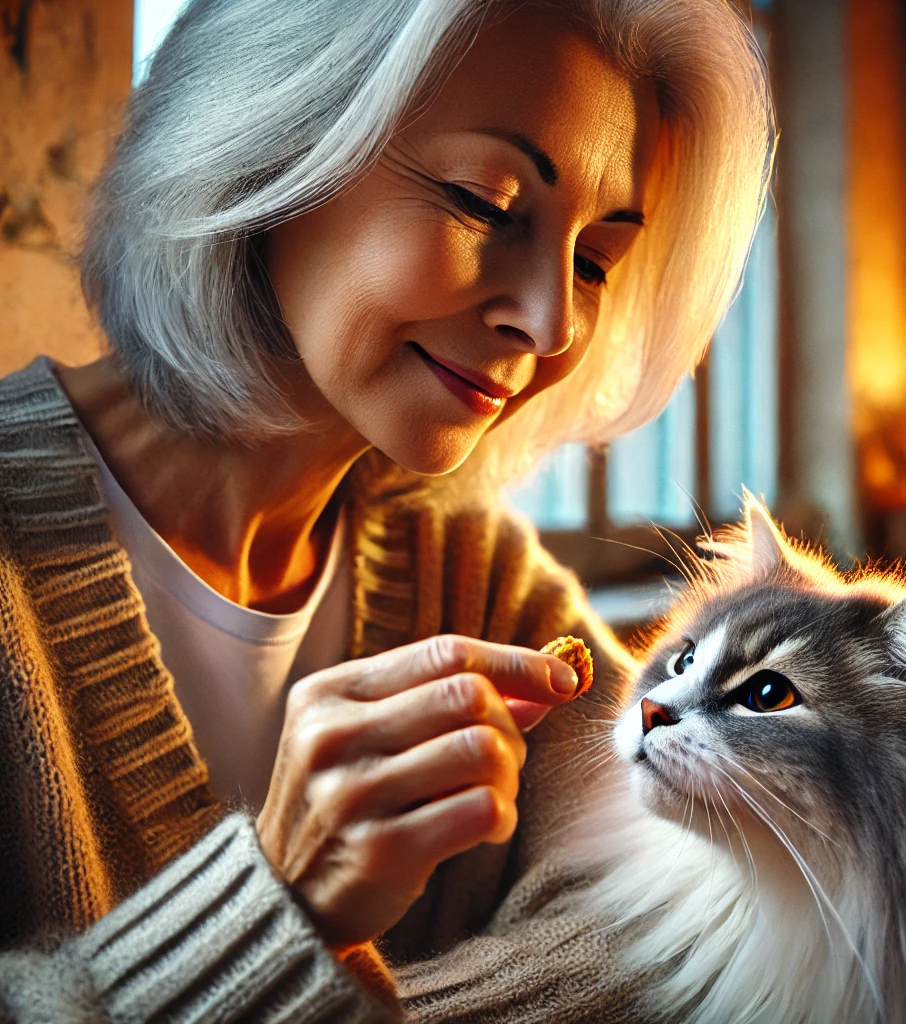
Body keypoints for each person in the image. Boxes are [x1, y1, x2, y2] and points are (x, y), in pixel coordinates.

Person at [0, 0, 773, 1020]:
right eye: (483, 201)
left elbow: (696, 908)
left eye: (595, 259)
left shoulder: (476, 577)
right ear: (269, 142)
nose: (550, 321)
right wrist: (271, 909)